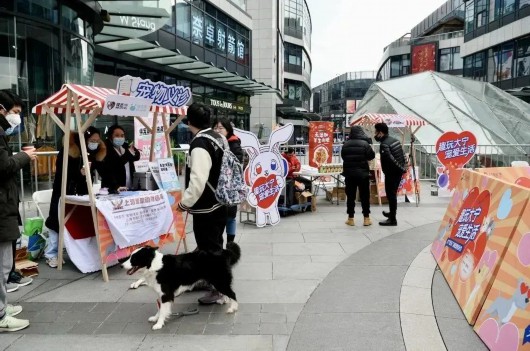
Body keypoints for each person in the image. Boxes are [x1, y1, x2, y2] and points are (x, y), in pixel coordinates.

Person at [177, 102, 227, 304]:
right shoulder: (218, 137)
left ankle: (219, 289)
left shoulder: (199, 144)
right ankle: (211, 281)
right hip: (220, 201)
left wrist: (184, 202)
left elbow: (197, 180)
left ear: (190, 122)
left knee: (209, 248)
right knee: (215, 244)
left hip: (206, 206)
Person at [0, 90, 37, 332]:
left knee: (4, 263)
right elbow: (3, 166)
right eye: (14, 113)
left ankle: (2, 306)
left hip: (5, 205)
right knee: (2, 265)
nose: (16, 119)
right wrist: (24, 156)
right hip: (1, 209)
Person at [44, 126, 107, 268]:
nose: (95, 143)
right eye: (92, 140)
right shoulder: (68, 150)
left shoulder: (93, 151)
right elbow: (64, 173)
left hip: (82, 192)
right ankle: (51, 254)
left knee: (79, 220)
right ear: (84, 139)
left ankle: (80, 253)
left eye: (97, 140)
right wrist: (80, 173)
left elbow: (102, 169)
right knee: (57, 221)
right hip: (63, 190)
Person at [212, 117, 243, 244]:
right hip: (217, 186)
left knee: (230, 216)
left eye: (221, 128)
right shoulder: (213, 142)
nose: (217, 130)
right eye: (215, 128)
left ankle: (230, 244)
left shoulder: (233, 144)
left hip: (229, 186)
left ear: (228, 129)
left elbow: (237, 165)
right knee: (219, 217)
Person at [341, 126, 376, 227]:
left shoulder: (346, 144)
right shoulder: (365, 144)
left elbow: (343, 157)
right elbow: (371, 156)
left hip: (349, 174)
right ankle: (366, 218)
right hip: (363, 174)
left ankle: (350, 219)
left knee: (351, 197)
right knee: (365, 196)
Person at [374, 122, 407, 226]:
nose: (375, 134)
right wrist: (403, 167)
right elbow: (402, 156)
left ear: (380, 133)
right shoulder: (394, 140)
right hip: (397, 172)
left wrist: (400, 168)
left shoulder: (384, 144)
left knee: (391, 195)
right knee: (392, 194)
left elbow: (391, 160)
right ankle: (391, 213)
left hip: (392, 173)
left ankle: (392, 219)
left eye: (376, 131)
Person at [101, 125, 140, 193]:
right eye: (117, 135)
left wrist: (134, 152)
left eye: (122, 136)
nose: (120, 138)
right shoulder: (105, 148)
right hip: (113, 187)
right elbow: (113, 165)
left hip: (129, 185)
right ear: (110, 136)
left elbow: (136, 157)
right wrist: (115, 186)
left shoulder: (125, 146)